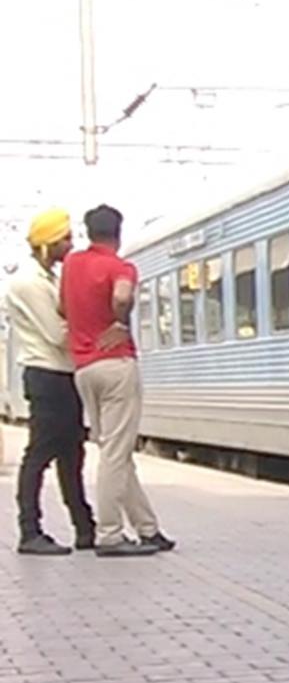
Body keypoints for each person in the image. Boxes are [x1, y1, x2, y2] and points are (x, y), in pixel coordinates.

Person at [60, 204, 172, 557]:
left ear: (87, 231)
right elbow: (122, 295)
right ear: (118, 232)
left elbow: (63, 309)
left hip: (84, 369)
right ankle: (109, 534)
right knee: (115, 453)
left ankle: (147, 528)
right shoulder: (121, 267)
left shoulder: (73, 265)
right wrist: (120, 321)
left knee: (116, 452)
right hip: (115, 365)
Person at [2, 209, 96, 555]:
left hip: (62, 375)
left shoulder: (47, 277)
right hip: (47, 376)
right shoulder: (29, 282)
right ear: (45, 245)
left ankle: (85, 528)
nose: (69, 245)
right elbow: (57, 335)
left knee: (72, 454)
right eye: (63, 239)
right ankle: (30, 531)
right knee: (40, 453)